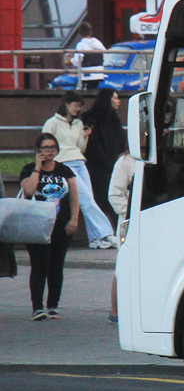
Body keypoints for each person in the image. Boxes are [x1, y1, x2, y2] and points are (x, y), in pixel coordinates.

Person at [41, 90, 116, 248]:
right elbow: (44, 143)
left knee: (88, 200)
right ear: (66, 105)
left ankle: (96, 239)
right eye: (75, 105)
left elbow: (80, 148)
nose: (78, 109)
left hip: (79, 163)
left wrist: (85, 137)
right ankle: (106, 233)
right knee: (86, 200)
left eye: (80, 106)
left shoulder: (78, 123)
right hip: (65, 164)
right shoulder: (52, 123)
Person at [18, 133, 80, 321]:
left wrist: (74, 219)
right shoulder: (28, 169)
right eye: (45, 148)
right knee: (39, 265)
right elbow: (29, 190)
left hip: (60, 225)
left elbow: (74, 197)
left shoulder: (65, 171)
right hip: (35, 225)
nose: (50, 151)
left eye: (53, 147)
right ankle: (37, 307)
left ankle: (53, 305)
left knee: (56, 265)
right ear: (38, 151)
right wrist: (37, 168)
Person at [82, 88, 127, 227]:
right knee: (101, 199)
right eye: (115, 98)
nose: (118, 101)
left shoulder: (113, 118)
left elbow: (120, 140)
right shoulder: (91, 118)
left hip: (109, 164)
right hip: (97, 166)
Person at [107, 151, 136, 325]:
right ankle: (115, 310)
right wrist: (132, 212)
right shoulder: (124, 162)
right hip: (130, 222)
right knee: (124, 265)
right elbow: (114, 195)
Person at [70, 22, 106, 89]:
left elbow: (77, 61)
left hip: (87, 74)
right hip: (99, 73)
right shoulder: (98, 43)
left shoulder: (81, 45)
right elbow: (105, 55)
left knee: (87, 92)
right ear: (91, 32)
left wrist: (71, 60)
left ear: (80, 34)